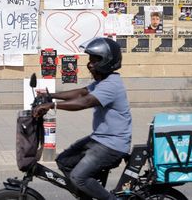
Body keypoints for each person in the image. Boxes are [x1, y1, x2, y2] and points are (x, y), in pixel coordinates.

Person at [33, 38, 132, 200]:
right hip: (100, 140)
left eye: (95, 60)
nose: (90, 64)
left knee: (79, 177)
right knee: (65, 161)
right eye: (90, 59)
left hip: (112, 145)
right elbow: (81, 93)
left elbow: (84, 102)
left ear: (108, 61)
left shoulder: (111, 85)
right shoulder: (102, 82)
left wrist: (52, 105)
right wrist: (50, 95)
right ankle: (87, 194)